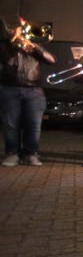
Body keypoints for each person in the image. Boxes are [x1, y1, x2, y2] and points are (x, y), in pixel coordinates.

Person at [0, 16, 56, 167]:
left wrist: (33, 46)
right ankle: (12, 153)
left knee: (33, 124)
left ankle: (31, 154)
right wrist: (14, 43)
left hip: (34, 90)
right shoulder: (5, 45)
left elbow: (51, 60)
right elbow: (5, 59)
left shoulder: (34, 46)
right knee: (11, 124)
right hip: (10, 88)